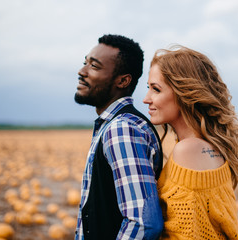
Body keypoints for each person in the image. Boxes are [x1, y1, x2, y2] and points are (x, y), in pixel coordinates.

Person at [143, 45, 238, 239]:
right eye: (148, 88)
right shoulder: (211, 146)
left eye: (156, 89)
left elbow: (186, 234)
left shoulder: (188, 150)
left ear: (185, 92)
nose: (146, 99)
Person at [74, 34, 164, 240]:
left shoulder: (122, 129)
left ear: (123, 81)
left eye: (94, 66)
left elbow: (142, 223)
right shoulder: (112, 125)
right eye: (84, 63)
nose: (81, 72)